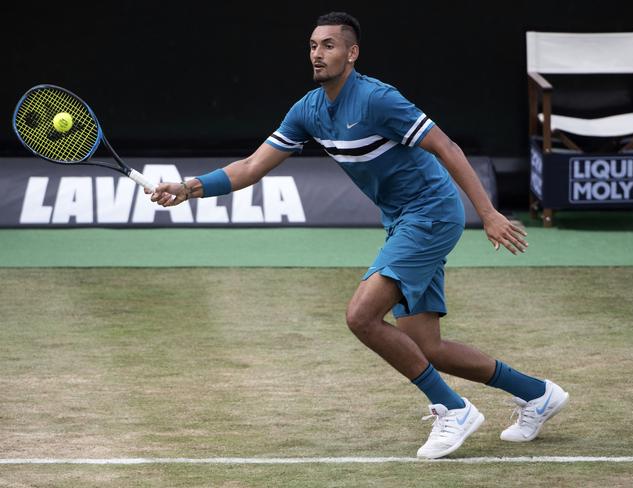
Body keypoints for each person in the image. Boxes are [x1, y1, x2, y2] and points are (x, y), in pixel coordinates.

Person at [148, 11, 569, 459]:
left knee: (361, 316)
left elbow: (447, 147)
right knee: (427, 347)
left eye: (328, 45)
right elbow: (251, 167)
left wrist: (487, 213)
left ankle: (452, 408)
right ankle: (538, 394)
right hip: (402, 220)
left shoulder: (378, 100)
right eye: (312, 45)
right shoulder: (307, 110)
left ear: (352, 53)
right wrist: (189, 188)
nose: (317, 53)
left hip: (430, 214)